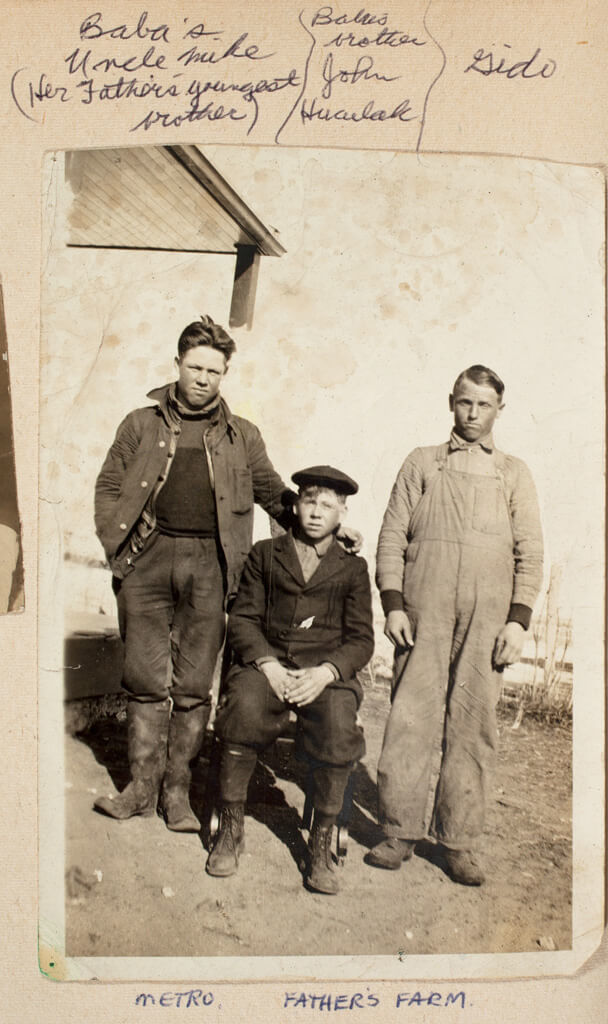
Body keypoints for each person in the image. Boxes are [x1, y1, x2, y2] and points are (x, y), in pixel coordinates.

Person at [93, 317, 360, 833]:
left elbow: (276, 494)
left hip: (212, 568)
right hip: (148, 559)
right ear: (177, 365)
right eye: (195, 367)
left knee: (193, 683)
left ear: (225, 374)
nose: (203, 379)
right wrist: (120, 553)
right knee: (144, 679)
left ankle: (177, 795)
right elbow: (108, 488)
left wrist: (329, 533)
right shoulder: (139, 425)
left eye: (214, 371)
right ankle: (140, 788)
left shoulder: (243, 437)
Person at [367, 365, 543, 885]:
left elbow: (530, 554)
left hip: (487, 622)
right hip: (423, 611)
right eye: (465, 403)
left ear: (498, 411)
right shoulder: (422, 463)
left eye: (484, 405)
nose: (473, 414)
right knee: (410, 717)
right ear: (451, 402)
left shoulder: (515, 473)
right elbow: (391, 536)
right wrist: (394, 603)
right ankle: (398, 831)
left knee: (473, 725)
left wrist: (518, 621)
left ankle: (459, 842)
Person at [207, 465, 374, 895]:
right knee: (242, 707)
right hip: (269, 667)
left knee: (339, 726)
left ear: (342, 513)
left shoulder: (352, 569)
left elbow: (360, 640)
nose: (317, 513)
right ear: (295, 505)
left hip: (323, 676)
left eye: (328, 505)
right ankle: (230, 825)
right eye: (309, 501)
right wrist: (268, 665)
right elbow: (243, 618)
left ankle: (321, 841)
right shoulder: (266, 554)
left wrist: (326, 672)